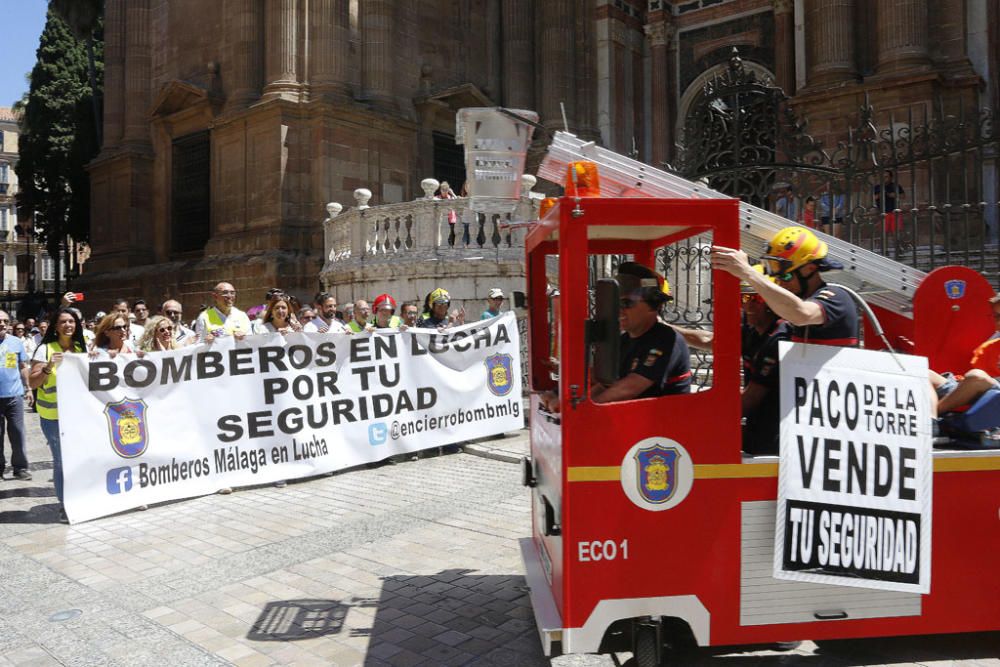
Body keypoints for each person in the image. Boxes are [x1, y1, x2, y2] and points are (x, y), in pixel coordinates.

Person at [712, 226, 858, 348]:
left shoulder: (836, 297)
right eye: (778, 277)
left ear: (810, 269)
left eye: (786, 277)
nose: (781, 283)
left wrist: (747, 272)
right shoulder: (794, 304)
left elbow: (802, 314)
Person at [588, 262, 691, 404]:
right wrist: (575, 404)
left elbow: (630, 388)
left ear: (653, 305)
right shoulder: (623, 341)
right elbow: (606, 384)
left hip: (666, 423)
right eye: (616, 304)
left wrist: (588, 408)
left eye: (627, 303)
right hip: (637, 421)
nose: (619, 310)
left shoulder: (666, 340)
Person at [28, 309, 87, 516]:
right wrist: (48, 367)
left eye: (72, 321)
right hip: (53, 417)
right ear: (55, 326)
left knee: (78, 458)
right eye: (63, 322)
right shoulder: (44, 349)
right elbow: (33, 381)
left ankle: (80, 497)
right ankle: (65, 505)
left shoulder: (81, 347)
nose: (68, 325)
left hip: (78, 416)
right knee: (61, 459)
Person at [0, 310, 32, 481]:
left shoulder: (16, 343)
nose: (2, 324)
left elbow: (22, 366)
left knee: (18, 433)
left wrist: (28, 388)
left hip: (14, 395)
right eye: (0, 321)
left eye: (5, 321)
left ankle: (20, 468)